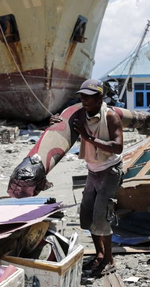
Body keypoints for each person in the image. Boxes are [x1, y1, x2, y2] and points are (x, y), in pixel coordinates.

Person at [51, 78, 123, 277]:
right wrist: (55, 123)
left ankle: (109, 259)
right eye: (81, 96)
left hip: (109, 170)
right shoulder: (81, 113)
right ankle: (99, 254)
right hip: (93, 170)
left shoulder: (111, 117)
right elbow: (65, 121)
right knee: (87, 215)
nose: (83, 100)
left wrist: (89, 137)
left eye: (88, 97)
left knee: (102, 216)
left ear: (100, 97)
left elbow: (118, 147)